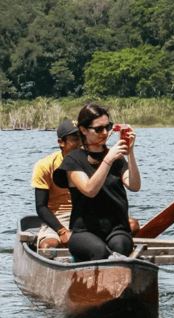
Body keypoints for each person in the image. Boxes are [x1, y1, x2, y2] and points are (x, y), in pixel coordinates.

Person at [53, 103, 141, 261]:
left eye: (108, 127)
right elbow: (89, 190)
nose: (105, 133)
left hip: (117, 229)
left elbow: (134, 186)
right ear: (83, 130)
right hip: (84, 232)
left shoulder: (117, 158)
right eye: (98, 129)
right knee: (100, 252)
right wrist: (108, 159)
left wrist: (131, 153)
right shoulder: (73, 160)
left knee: (120, 247)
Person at [31, 119, 81, 249]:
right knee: (48, 246)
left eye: (83, 138)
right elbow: (41, 207)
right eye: (75, 139)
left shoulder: (92, 161)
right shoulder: (45, 166)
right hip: (58, 218)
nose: (80, 143)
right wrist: (62, 231)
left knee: (132, 225)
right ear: (61, 142)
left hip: (85, 215)